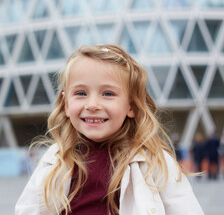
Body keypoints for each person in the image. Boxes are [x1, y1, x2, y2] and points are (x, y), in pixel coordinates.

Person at [15, 45, 204, 215]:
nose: (93, 104)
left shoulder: (154, 161)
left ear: (131, 106)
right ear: (65, 104)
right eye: (81, 93)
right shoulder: (55, 160)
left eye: (107, 94)